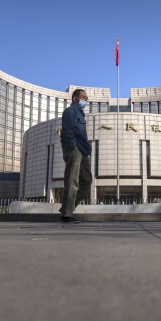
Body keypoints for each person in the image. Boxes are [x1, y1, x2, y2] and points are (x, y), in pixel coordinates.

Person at [59, 89, 93, 223]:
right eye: (83, 97)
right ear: (75, 99)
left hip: (82, 150)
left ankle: (66, 208)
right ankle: (67, 214)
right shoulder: (70, 112)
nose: (85, 100)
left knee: (87, 179)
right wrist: (73, 147)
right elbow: (67, 130)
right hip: (74, 149)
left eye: (86, 98)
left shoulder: (80, 114)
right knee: (72, 180)